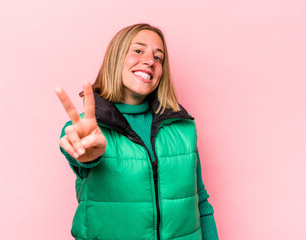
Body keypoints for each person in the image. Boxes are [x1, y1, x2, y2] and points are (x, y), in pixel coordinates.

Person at [56, 23, 218, 240]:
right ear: (116, 57)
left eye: (158, 57)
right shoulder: (88, 130)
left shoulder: (183, 128)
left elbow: (199, 201)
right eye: (138, 50)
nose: (150, 61)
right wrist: (86, 158)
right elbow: (79, 153)